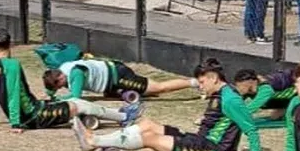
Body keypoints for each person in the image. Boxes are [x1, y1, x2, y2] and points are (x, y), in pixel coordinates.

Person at [75, 58, 265, 151]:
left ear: (213, 78)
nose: (200, 86)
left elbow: (250, 128)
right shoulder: (223, 93)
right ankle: (96, 139)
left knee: (149, 137)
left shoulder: (230, 98)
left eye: (201, 82)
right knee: (147, 124)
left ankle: (94, 141)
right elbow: (229, 126)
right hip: (199, 140)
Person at [0, 29, 135, 132]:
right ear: (10, 44)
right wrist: (15, 124)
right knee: (76, 105)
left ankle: (120, 114)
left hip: (33, 109)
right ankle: (123, 116)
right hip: (33, 116)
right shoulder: (12, 65)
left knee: (65, 103)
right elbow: (13, 94)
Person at [41, 56, 194, 101]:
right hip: (109, 84)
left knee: (160, 87)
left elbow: (76, 96)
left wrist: (56, 100)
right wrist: (50, 94)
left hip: (118, 77)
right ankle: (143, 93)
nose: (62, 87)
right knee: (115, 96)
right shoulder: (63, 68)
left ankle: (194, 83)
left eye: (59, 85)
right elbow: (54, 88)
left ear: (60, 77)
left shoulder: (75, 73)